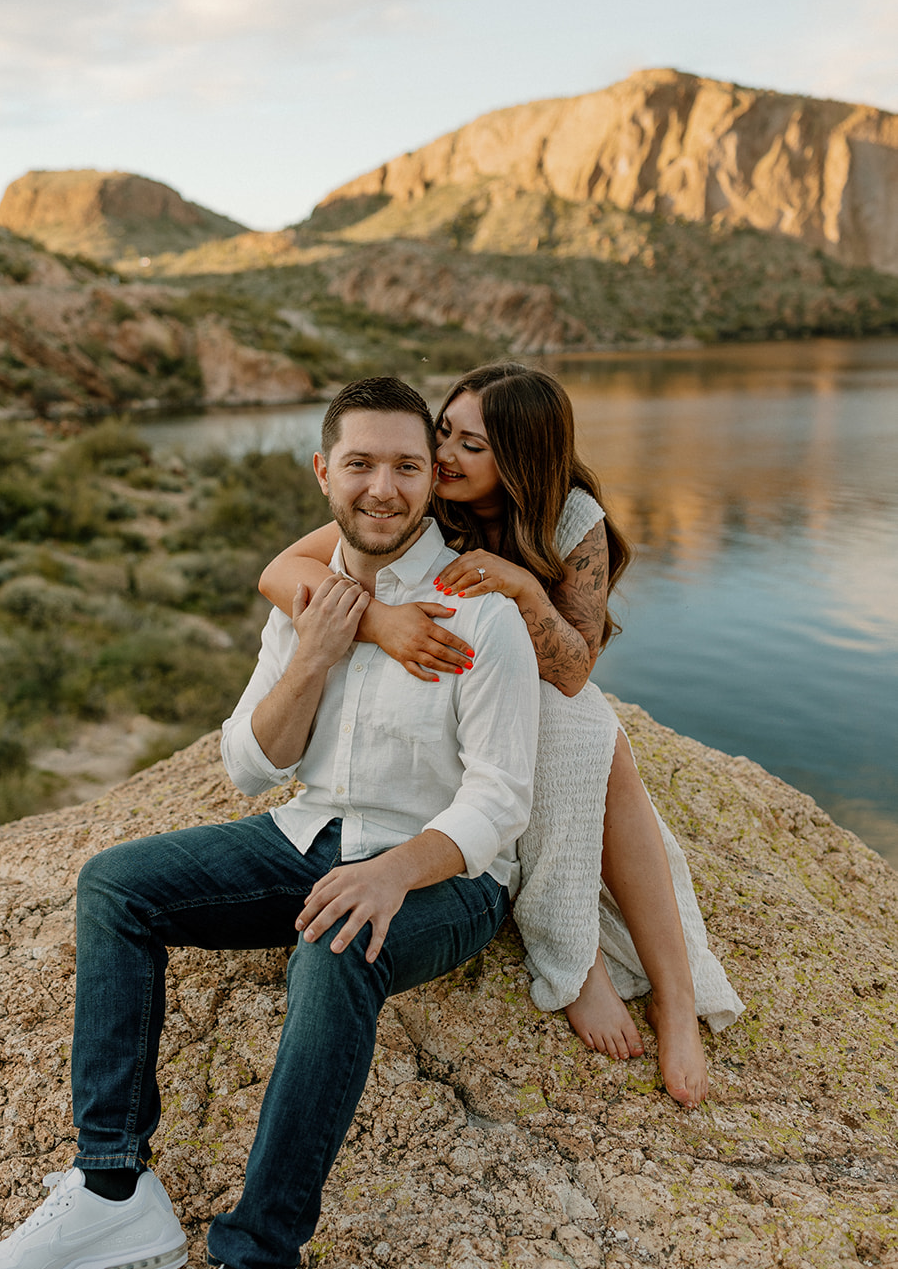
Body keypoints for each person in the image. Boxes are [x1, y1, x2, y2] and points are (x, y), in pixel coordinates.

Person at [0, 376, 540, 1269]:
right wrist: (315, 649)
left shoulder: (478, 612)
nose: (383, 488)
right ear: (323, 472)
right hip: (304, 834)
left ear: (430, 479)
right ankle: (111, 1193)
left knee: (335, 947)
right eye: (359, 464)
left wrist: (394, 872)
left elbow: (498, 801)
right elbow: (249, 765)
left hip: (448, 871)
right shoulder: (311, 600)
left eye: (406, 466)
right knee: (113, 885)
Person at [260, 363, 743, 1111]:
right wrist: (380, 621)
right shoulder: (423, 501)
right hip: (458, 692)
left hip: (547, 695)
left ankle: (674, 997)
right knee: (583, 743)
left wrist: (521, 586)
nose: (444, 453)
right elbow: (279, 570)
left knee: (590, 740)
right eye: (445, 430)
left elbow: (574, 671)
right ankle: (575, 963)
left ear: (520, 459)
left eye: (471, 445)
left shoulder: (570, 520)